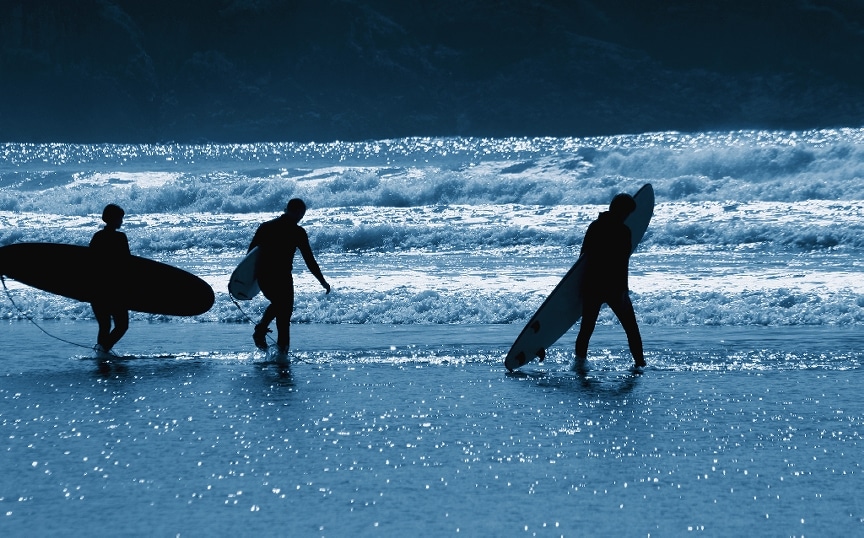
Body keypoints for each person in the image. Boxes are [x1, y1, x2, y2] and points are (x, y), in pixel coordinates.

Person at [574, 193, 645, 371]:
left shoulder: (595, 226)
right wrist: (623, 290)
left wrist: (580, 286)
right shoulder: (623, 231)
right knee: (631, 328)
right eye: (627, 212)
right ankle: (640, 364)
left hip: (592, 284)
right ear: (621, 211)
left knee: (586, 329)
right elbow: (622, 263)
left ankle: (579, 365)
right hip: (613, 287)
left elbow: (582, 258)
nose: (627, 216)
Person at [248, 198, 330, 353]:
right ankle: (278, 349)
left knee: (280, 308)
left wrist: (249, 284)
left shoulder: (266, 227)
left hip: (264, 276)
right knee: (283, 315)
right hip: (282, 278)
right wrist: (322, 281)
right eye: (302, 214)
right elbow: (309, 260)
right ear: (298, 212)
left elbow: (250, 256)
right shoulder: (297, 232)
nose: (301, 217)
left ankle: (269, 339)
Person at [90, 203, 131, 355]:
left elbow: (88, 262)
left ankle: (101, 354)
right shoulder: (120, 238)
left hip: (97, 288)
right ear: (114, 218)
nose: (121, 221)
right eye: (120, 218)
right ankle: (103, 350)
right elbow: (127, 263)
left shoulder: (98, 236)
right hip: (115, 289)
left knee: (104, 326)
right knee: (122, 325)